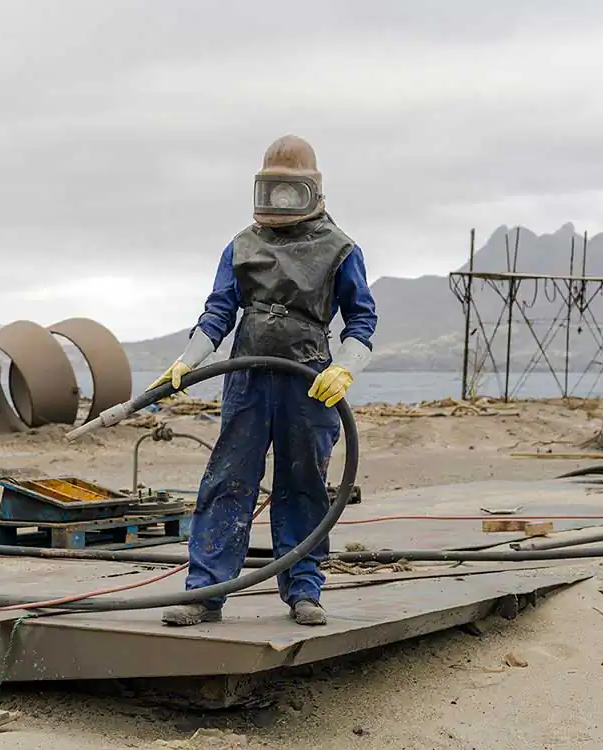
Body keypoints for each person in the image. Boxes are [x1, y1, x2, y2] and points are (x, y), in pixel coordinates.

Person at [151, 134, 378, 627]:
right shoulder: (242, 246)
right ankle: (206, 590)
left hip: (308, 381)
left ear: (312, 189)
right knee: (227, 480)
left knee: (304, 483)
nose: (281, 199)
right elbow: (219, 311)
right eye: (273, 189)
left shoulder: (340, 249)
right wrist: (189, 358)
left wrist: (344, 367)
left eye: (290, 190)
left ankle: (304, 590)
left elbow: (361, 319)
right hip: (248, 378)